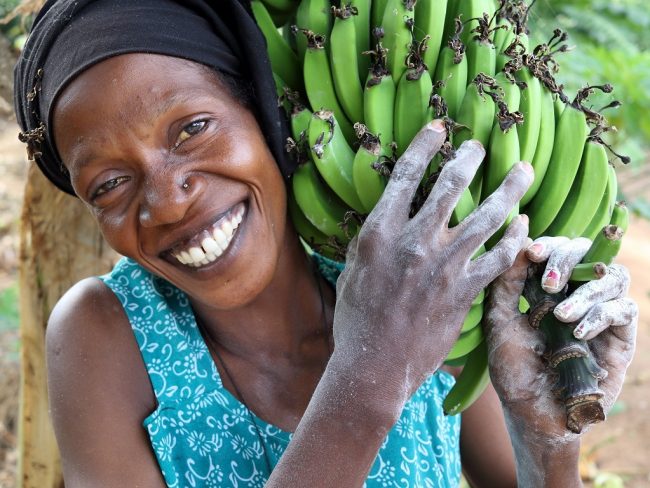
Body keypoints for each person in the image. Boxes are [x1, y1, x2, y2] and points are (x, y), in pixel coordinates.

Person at [14, 0, 638, 487]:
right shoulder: (107, 333)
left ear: (265, 113)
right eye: (111, 184)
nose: (168, 199)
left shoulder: (409, 275)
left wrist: (546, 439)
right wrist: (371, 375)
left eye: (194, 129)